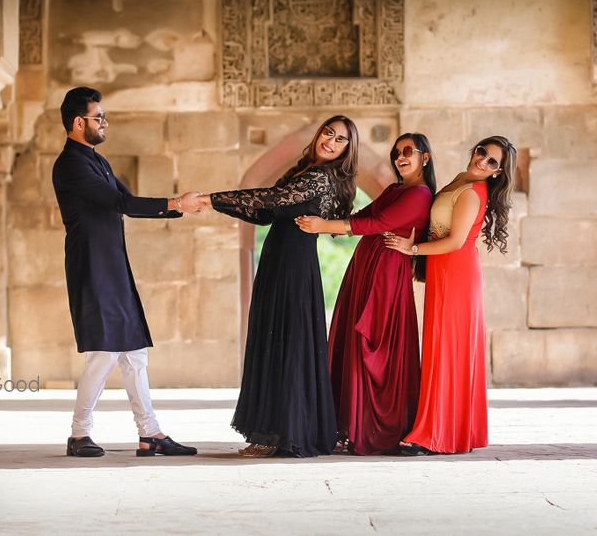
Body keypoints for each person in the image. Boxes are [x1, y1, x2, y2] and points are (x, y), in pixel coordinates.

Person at [192, 116, 358, 457]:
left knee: (287, 343)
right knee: (276, 339)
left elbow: (269, 200)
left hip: (293, 267)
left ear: (347, 150)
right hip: (280, 262)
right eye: (329, 133)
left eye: (341, 140)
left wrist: (211, 199)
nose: (331, 141)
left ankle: (282, 435)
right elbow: (265, 213)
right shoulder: (302, 172)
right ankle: (275, 433)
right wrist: (218, 205)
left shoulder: (319, 177)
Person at [52, 86, 201, 458]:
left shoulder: (96, 161)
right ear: (77, 122)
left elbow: (128, 202)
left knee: (134, 353)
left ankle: (150, 434)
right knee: (103, 351)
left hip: (113, 265)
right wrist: (175, 203)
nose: (105, 123)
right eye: (98, 117)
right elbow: (121, 202)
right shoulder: (71, 164)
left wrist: (176, 208)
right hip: (92, 266)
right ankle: (78, 434)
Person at [295, 133, 436, 455]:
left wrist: (323, 227)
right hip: (366, 268)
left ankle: (374, 429)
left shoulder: (420, 194)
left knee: (373, 344)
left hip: (386, 272)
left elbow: (379, 222)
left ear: (424, 158)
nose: (400, 157)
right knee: (352, 343)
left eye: (408, 152)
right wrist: (324, 222)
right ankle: (351, 424)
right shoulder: (395, 189)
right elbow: (362, 216)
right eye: (396, 152)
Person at [384, 135, 517, 455]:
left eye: (492, 162)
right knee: (441, 350)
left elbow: (456, 241)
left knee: (446, 352)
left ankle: (435, 434)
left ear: (497, 172)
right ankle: (450, 428)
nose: (482, 161)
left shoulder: (473, 192)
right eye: (482, 152)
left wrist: (411, 248)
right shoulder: (461, 180)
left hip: (456, 272)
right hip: (445, 271)